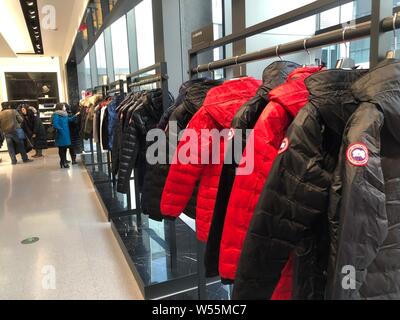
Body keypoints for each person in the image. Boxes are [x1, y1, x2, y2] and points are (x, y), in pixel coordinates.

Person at [52, 103, 79, 169]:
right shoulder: (56, 114)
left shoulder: (65, 114)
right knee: (61, 148)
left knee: (64, 147)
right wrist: (61, 130)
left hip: (66, 133)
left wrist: (75, 115)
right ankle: (63, 162)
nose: (65, 107)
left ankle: (63, 161)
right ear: (60, 107)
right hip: (61, 133)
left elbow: (69, 120)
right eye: (64, 106)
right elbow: (55, 124)